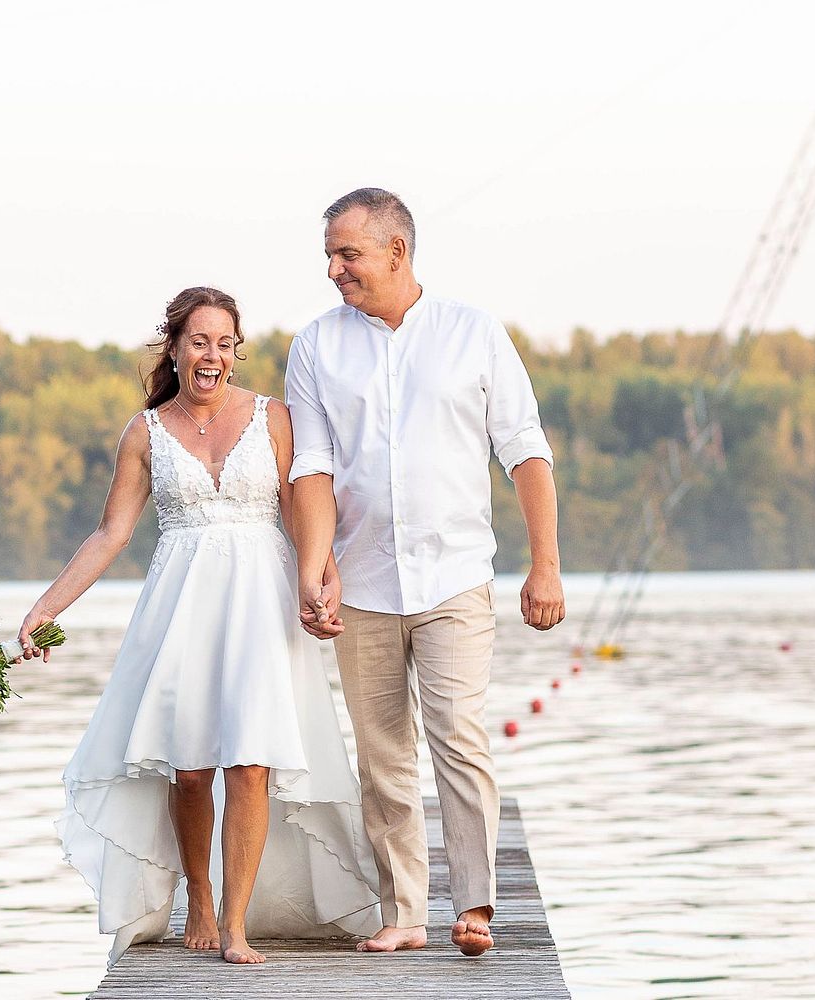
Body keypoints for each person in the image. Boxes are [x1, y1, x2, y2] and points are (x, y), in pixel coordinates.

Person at [18, 286, 379, 967]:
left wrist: (322, 578)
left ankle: (236, 923)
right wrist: (46, 607)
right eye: (199, 342)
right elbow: (109, 534)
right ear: (175, 349)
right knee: (188, 772)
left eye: (224, 343)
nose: (212, 355)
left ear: (235, 353)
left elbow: (306, 515)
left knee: (250, 762)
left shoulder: (275, 418)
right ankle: (200, 895)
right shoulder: (144, 432)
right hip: (180, 604)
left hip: (259, 601)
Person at [286, 188, 565, 957]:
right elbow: (310, 464)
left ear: (396, 251)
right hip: (362, 581)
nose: (336, 271)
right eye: (331, 258)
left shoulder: (473, 334)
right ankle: (404, 910)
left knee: (459, 737)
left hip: (454, 579)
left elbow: (526, 450)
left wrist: (545, 566)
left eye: (349, 255)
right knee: (381, 755)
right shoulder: (315, 346)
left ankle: (473, 904)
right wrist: (315, 567)